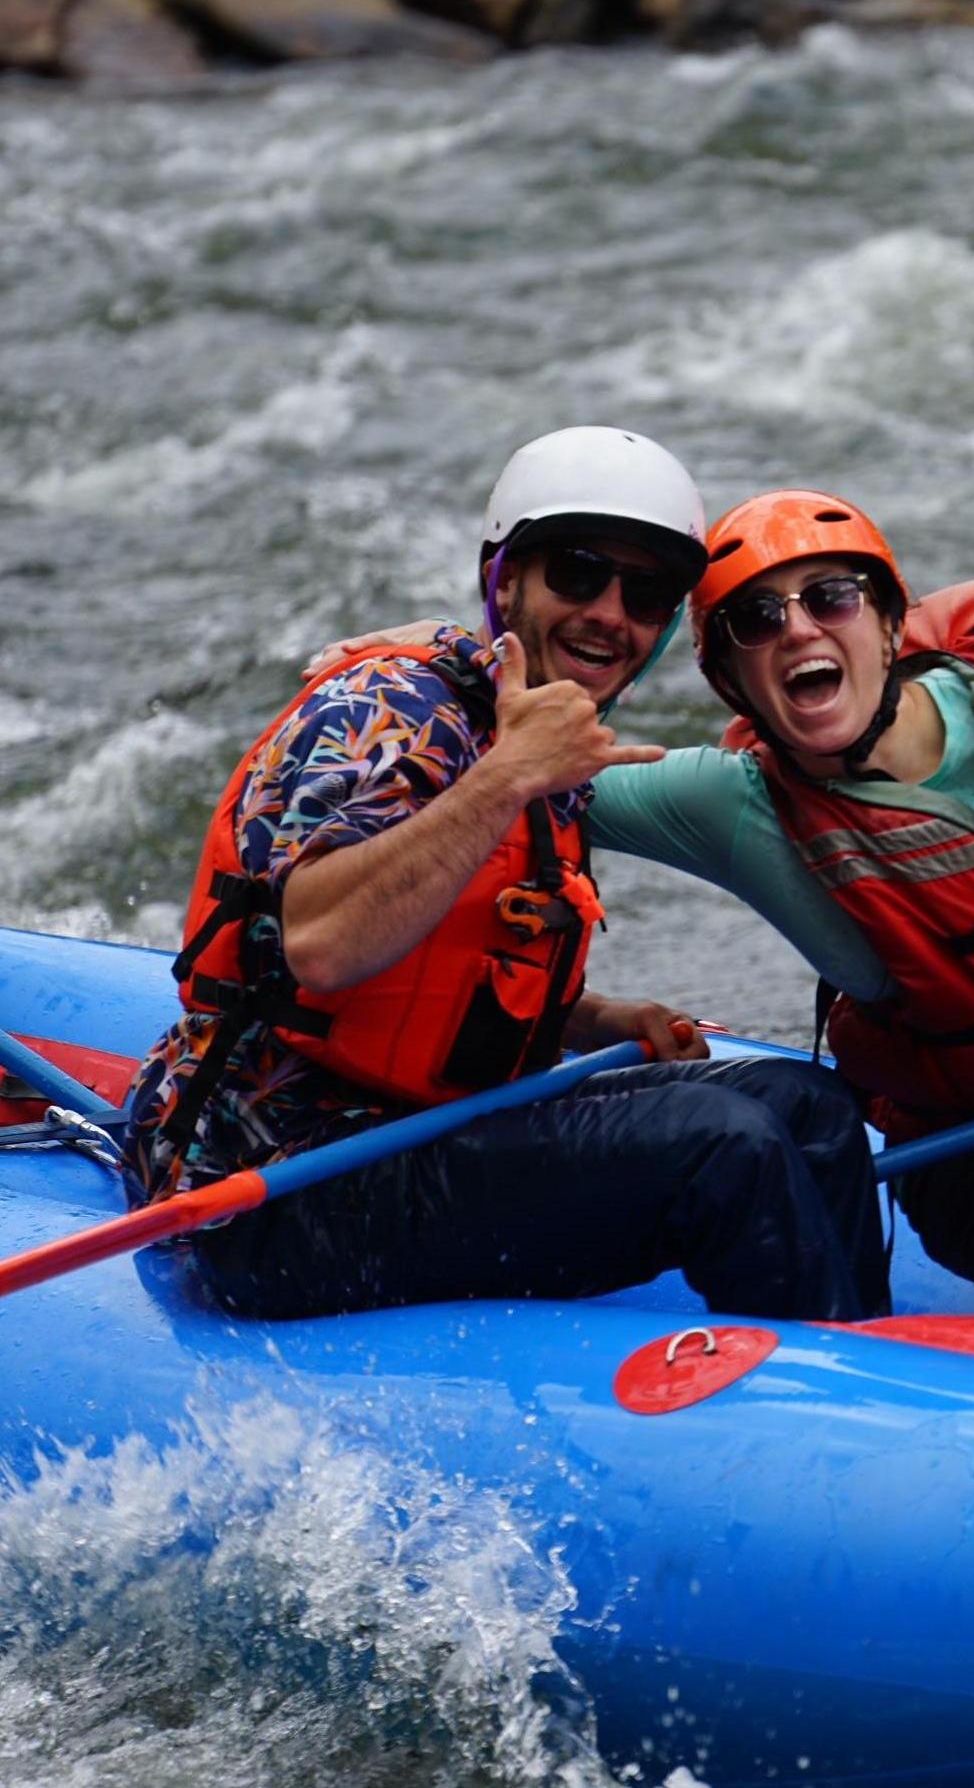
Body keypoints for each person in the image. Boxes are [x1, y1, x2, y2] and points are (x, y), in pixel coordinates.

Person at [311, 490, 974, 1314]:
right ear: (734, 683)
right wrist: (438, 660)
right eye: (755, 621)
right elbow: (518, 768)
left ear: (890, 626)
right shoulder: (729, 802)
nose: (797, 629)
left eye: (830, 599)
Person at [124, 430, 890, 1323]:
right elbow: (320, 950)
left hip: (424, 1133)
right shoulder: (386, 714)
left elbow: (441, 964)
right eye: (576, 571)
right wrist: (508, 776)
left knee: (808, 1104)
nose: (610, 612)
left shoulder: (539, 729)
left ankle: (869, 1354)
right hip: (274, 1187)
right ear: (506, 578)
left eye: (643, 592)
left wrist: (595, 1017)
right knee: (725, 1144)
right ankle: (818, 1422)